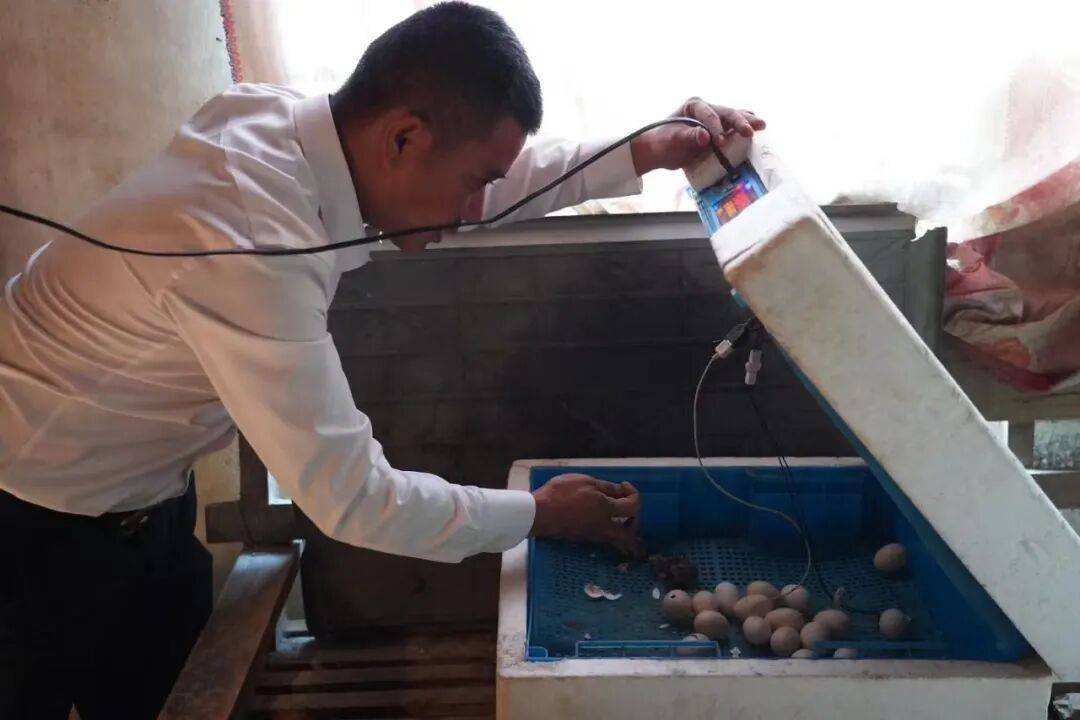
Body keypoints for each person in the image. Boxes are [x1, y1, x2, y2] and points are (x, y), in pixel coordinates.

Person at [0, 2, 765, 717]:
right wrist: (540, 513)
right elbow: (354, 500)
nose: (475, 211)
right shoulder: (250, 240)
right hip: (28, 522)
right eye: (475, 181)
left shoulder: (289, 132)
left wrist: (641, 151)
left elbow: (481, 184)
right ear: (402, 139)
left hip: (141, 504)